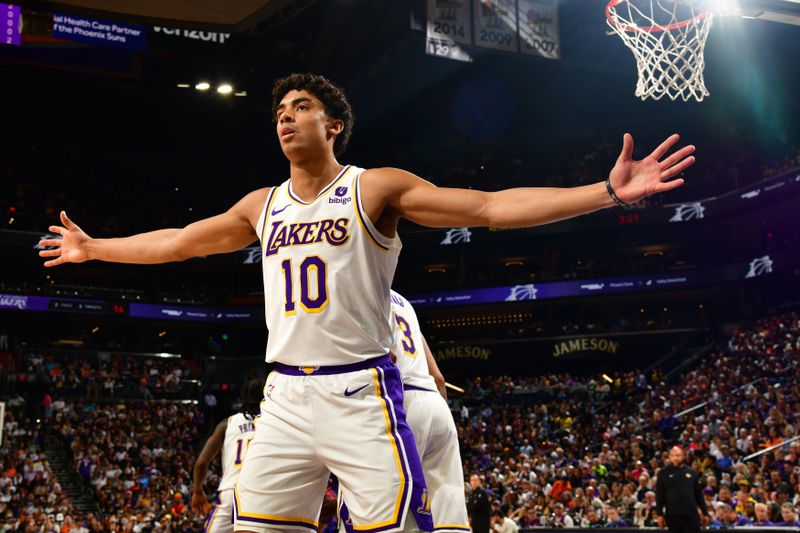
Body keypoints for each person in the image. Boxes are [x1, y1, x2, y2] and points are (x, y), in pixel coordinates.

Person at [39, 73, 694, 533]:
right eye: (278, 112)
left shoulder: (373, 187)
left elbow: (490, 208)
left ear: (335, 124)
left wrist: (605, 191)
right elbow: (180, 243)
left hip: (364, 394)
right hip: (288, 398)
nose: (285, 117)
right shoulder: (260, 204)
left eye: (299, 106)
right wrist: (97, 249)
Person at [338, 290, 468, 532]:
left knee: (379, 513)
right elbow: (438, 377)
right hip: (435, 404)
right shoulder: (406, 303)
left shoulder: (358, 287)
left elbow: (387, 356)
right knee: (446, 513)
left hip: (399, 401)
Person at [191, 379, 262, 533]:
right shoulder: (275, 423)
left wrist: (197, 491)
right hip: (263, 493)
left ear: (242, 399)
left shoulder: (227, 424)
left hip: (232, 491)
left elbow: (201, 463)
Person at [655, 447, 709, 533]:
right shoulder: (663, 473)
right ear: (669, 457)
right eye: (672, 456)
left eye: (678, 455)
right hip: (673, 515)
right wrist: (659, 515)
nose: (675, 458)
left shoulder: (692, 472)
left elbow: (699, 495)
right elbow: (659, 495)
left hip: (691, 515)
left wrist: (705, 513)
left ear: (683, 456)